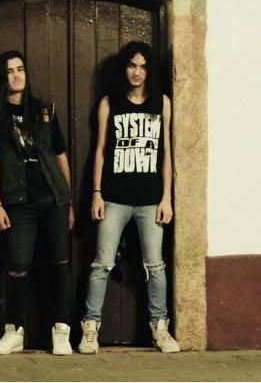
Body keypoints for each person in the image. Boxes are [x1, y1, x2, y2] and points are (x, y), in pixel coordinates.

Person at [79, 41, 179, 354]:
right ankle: (90, 329)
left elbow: (166, 153)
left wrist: (167, 198)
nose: (137, 72)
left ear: (149, 71)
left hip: (150, 199)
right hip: (114, 198)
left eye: (143, 66)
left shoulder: (162, 103)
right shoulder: (109, 103)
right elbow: (99, 151)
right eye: (132, 65)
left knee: (155, 266)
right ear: (124, 68)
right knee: (101, 265)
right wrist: (96, 193)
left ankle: (160, 328)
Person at [0, 51, 75, 355]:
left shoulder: (44, 110)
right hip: (18, 202)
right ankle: (14, 331)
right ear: (3, 77)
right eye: (10, 71)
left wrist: (68, 201)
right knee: (18, 266)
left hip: (54, 198)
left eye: (20, 69)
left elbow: (60, 155)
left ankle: (61, 331)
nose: (17, 75)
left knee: (60, 264)